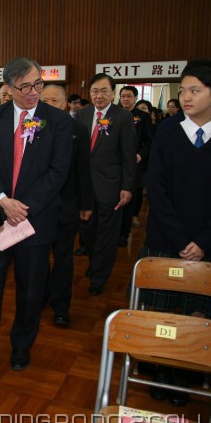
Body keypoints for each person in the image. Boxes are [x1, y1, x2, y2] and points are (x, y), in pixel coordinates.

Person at [139, 59, 211, 405]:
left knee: (196, 315)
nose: (186, 97)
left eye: (195, 90)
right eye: (183, 90)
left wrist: (202, 241)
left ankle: (185, 371)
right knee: (164, 314)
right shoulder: (168, 132)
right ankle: (161, 368)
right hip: (165, 238)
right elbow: (157, 189)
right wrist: (181, 238)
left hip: (208, 244)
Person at [0, 57, 72, 374]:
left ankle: (22, 345)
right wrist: (2, 200)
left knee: (30, 290)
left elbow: (58, 172)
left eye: (37, 84)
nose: (33, 92)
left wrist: (23, 207)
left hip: (34, 220)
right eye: (24, 86)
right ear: (9, 88)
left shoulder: (58, 121)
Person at [74, 73, 137, 295]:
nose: (98, 95)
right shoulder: (81, 115)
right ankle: (95, 263)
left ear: (113, 93)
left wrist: (127, 186)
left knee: (107, 234)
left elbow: (128, 155)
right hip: (85, 186)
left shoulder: (123, 117)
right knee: (87, 231)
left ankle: (99, 277)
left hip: (111, 186)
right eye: (94, 91)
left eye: (103, 91)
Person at [40, 85, 93, 327]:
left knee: (63, 258)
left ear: (64, 104)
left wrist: (86, 203)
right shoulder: (31, 127)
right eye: (45, 100)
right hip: (38, 206)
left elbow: (84, 168)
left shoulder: (78, 130)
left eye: (55, 100)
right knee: (38, 257)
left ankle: (61, 305)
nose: (49, 104)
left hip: (67, 204)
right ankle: (40, 296)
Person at [118, 86, 153, 242]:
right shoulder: (114, 114)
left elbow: (149, 142)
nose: (125, 99)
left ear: (135, 98)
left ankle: (123, 234)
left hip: (133, 164)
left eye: (129, 96)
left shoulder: (143, 117)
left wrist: (140, 155)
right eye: (122, 96)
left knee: (128, 199)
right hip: (114, 164)